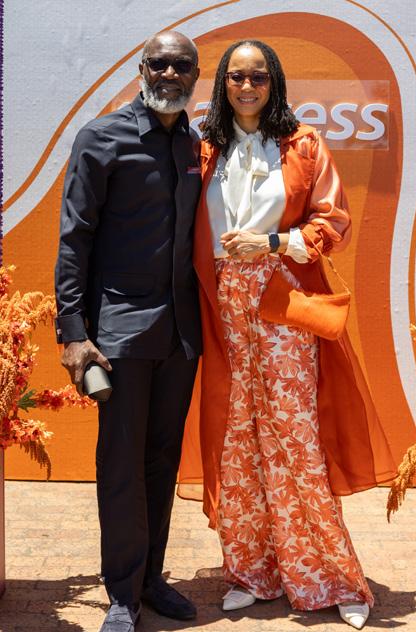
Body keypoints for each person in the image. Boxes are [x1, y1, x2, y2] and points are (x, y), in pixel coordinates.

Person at [191, 40, 397, 630]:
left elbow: (333, 220)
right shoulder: (205, 149)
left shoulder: (302, 144)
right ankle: (251, 573)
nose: (247, 86)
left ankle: (333, 577)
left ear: (274, 82)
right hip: (224, 309)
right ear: (223, 84)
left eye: (258, 76)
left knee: (295, 438)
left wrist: (273, 241)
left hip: (281, 299)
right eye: (236, 76)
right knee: (238, 439)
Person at [55, 31, 202, 632]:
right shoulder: (100, 138)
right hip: (118, 330)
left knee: (161, 459)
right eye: (158, 63)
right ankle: (121, 593)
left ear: (195, 75)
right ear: (142, 69)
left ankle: (150, 579)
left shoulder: (195, 145)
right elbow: (75, 236)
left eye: (181, 65)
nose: (169, 73)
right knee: (121, 462)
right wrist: (72, 331)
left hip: (181, 334)